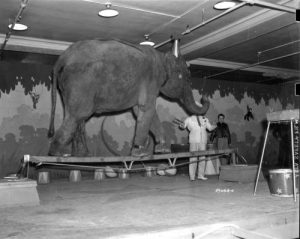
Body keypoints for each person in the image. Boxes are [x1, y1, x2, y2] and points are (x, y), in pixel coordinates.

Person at [180, 115, 216, 181]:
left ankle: (201, 175)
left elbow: (210, 128)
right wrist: (182, 125)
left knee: (202, 158)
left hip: (203, 141)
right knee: (193, 158)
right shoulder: (189, 119)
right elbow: (183, 126)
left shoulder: (205, 118)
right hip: (194, 141)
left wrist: (214, 125)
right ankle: (192, 176)